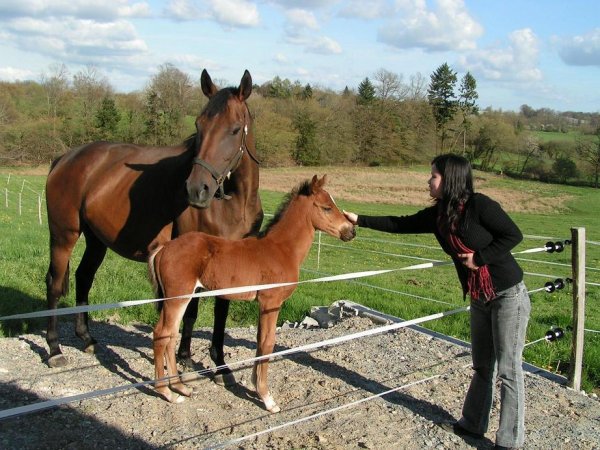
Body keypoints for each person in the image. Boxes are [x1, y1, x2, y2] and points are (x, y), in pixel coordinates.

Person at [344, 153, 530, 450]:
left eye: (433, 175)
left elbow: (513, 235)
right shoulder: (439, 215)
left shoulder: (480, 205)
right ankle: (471, 425)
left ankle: (510, 442)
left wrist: (479, 258)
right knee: (482, 364)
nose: (428, 180)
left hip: (508, 294)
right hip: (480, 296)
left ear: (450, 178)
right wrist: (358, 219)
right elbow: (399, 223)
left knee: (508, 369)